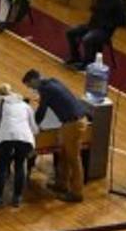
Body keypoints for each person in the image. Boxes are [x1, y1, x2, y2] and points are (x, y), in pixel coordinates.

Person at [22, 69, 88, 202]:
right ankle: (61, 184)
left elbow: (41, 112)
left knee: (74, 159)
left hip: (73, 124)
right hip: (74, 121)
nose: (31, 89)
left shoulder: (45, 89)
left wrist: (32, 127)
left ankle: (77, 193)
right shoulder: (52, 81)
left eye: (30, 85)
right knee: (63, 154)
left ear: (34, 80)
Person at [0, 83, 38, 207]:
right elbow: (34, 128)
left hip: (6, 137)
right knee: (20, 166)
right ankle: (17, 197)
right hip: (25, 138)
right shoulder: (25, 105)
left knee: (2, 166)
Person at [64, 0, 126, 69]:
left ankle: (88, 63)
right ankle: (75, 57)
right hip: (92, 26)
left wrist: (108, 24)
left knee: (87, 39)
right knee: (70, 32)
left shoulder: (119, 2)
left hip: (104, 31)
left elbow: (124, 21)